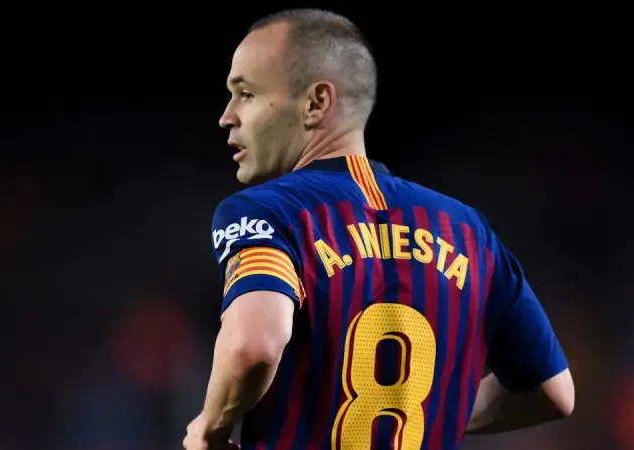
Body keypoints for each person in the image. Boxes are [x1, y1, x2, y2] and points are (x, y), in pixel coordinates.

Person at [182, 8, 575, 450]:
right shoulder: (468, 232)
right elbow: (553, 391)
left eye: (246, 94)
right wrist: (423, 410)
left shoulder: (268, 211)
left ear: (316, 103)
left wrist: (209, 430)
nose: (227, 116)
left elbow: (254, 345)